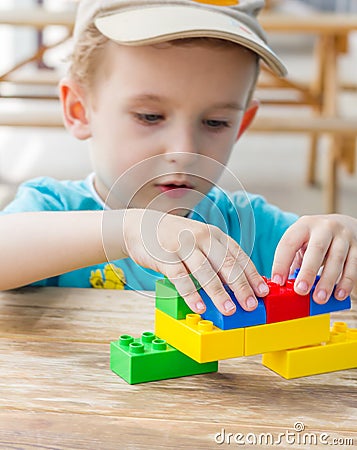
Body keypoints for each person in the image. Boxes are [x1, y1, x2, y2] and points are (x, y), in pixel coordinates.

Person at [0, 0, 356, 318]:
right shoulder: (51, 209)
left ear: (242, 124)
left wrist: (344, 241)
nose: (184, 150)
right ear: (79, 110)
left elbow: (334, 265)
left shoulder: (250, 227)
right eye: (149, 116)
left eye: (216, 122)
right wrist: (128, 229)